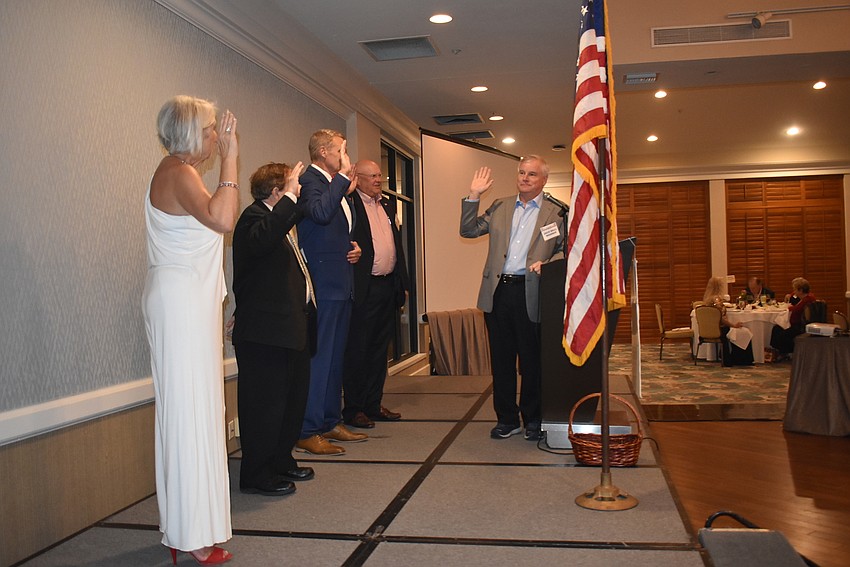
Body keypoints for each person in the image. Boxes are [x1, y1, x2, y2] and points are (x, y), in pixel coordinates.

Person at [142, 96, 238, 565]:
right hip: (180, 303)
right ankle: (189, 533)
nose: (216, 137)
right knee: (188, 414)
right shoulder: (178, 173)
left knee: (196, 411)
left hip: (186, 301)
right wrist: (233, 159)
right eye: (210, 129)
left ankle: (190, 528)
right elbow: (223, 218)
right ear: (188, 134)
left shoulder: (180, 172)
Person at [460, 156, 565, 441]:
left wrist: (549, 264)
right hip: (498, 293)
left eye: (532, 174)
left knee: (532, 362)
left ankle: (533, 418)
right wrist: (474, 195)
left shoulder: (557, 213)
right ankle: (507, 419)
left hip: (532, 292)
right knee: (502, 361)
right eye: (521, 172)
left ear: (544, 180)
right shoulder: (500, 206)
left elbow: (567, 250)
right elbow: (468, 230)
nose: (525, 178)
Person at [232, 161, 320, 497]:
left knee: (291, 404)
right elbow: (261, 241)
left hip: (290, 329)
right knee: (264, 408)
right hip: (265, 334)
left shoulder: (280, 223)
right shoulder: (253, 219)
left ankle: (281, 460)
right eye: (292, 186)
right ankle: (257, 474)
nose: (298, 191)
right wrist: (290, 198)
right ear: (275, 192)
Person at [294, 129, 367, 455]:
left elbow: (336, 230)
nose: (345, 157)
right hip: (323, 285)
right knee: (321, 359)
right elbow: (320, 214)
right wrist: (343, 181)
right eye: (341, 151)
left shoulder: (334, 185)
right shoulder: (310, 181)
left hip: (341, 283)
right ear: (323, 152)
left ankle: (329, 421)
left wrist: (353, 249)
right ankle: (308, 430)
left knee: (336, 358)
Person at [342, 160, 410, 429]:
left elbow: (397, 247)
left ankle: (373, 404)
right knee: (358, 349)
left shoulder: (387, 205)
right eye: (372, 176)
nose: (378, 180)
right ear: (357, 178)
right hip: (364, 288)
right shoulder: (349, 204)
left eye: (379, 175)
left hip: (388, 286)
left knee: (380, 350)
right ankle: (354, 408)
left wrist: (403, 282)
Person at [703, 276, 753, 366]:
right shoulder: (717, 300)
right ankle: (741, 359)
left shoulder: (707, 300)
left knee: (739, 332)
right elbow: (721, 319)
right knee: (744, 332)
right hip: (720, 329)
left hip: (708, 329)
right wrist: (734, 325)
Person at [771, 277, 816, 355]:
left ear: (800, 290)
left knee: (780, 333)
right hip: (797, 324)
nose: (794, 291)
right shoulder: (807, 297)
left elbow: (796, 309)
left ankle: (786, 351)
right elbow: (794, 300)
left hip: (800, 326)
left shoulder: (807, 300)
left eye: (795, 289)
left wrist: (788, 307)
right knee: (776, 328)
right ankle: (780, 352)